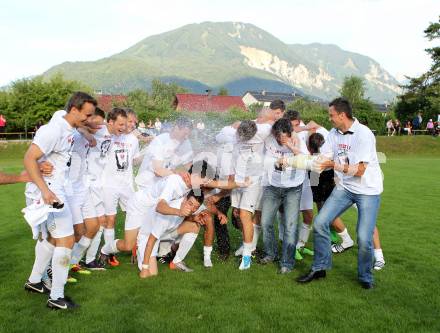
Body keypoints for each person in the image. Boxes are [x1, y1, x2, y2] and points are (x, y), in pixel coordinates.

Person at [297, 97, 383, 290]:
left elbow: (359, 171)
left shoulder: (364, 134)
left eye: (332, 115)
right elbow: (322, 159)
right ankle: (319, 268)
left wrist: (332, 164)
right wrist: (294, 162)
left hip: (368, 191)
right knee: (319, 223)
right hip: (345, 188)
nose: (330, 119)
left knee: (363, 237)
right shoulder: (334, 134)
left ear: (342, 115)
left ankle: (365, 277)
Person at [23, 91, 96, 310]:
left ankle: (35, 281)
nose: (90, 119)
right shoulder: (52, 130)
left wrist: (85, 128)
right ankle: (56, 297)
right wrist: (45, 191)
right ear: (74, 110)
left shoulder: (67, 126)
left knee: (52, 240)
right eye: (87, 115)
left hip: (59, 190)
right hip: (50, 194)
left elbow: (75, 128)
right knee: (65, 241)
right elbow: (28, 158)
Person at [259, 118, 306, 274]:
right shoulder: (269, 138)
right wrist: (275, 162)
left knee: (290, 227)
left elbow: (307, 161)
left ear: (290, 133)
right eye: (278, 136)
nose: (280, 140)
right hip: (272, 186)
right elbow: (263, 159)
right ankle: (270, 253)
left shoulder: (298, 140)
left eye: (283, 136)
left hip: (293, 188)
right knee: (265, 222)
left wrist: (293, 148)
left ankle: (287, 263)